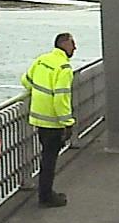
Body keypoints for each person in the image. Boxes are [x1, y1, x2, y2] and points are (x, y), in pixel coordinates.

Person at [21, 32, 77, 207]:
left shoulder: (42, 60)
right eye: (72, 44)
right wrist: (68, 123)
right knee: (49, 160)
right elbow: (61, 98)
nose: (75, 48)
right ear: (64, 45)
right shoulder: (64, 68)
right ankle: (46, 197)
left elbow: (26, 81)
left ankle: (46, 193)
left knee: (46, 157)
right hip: (53, 122)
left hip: (38, 118)